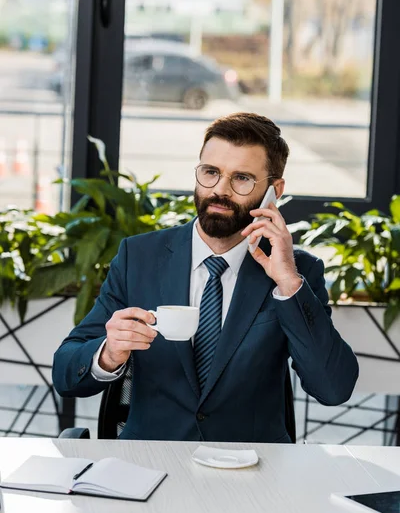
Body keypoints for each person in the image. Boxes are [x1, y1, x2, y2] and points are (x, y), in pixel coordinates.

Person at [53, 112, 359, 443]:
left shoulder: (297, 272)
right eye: (210, 172)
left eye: (241, 178)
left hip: (254, 472)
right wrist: (108, 353)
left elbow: (333, 389)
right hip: (152, 467)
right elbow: (67, 374)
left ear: (275, 190)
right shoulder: (139, 257)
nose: (220, 191)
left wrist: (288, 283)